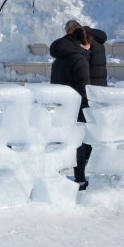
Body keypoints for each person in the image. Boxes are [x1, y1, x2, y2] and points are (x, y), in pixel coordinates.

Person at [50, 22, 91, 190]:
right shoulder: (78, 58)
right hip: (77, 105)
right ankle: (80, 179)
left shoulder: (59, 58)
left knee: (62, 142)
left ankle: (55, 177)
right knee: (79, 143)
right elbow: (83, 86)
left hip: (61, 105)